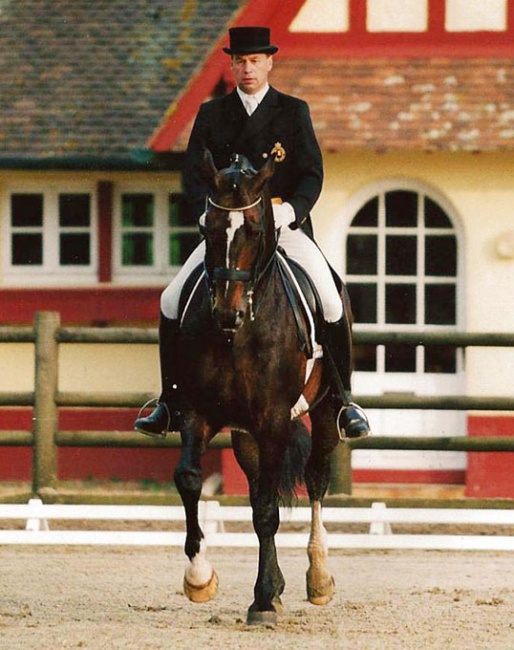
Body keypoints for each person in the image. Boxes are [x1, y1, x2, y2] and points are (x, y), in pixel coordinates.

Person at [135, 26, 370, 438]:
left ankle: (343, 401)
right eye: (241, 61)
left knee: (331, 301)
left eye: (256, 61)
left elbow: (312, 174)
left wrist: (291, 211)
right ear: (231, 65)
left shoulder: (293, 111)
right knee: (170, 298)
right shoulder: (212, 115)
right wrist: (205, 218)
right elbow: (192, 176)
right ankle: (169, 401)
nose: (248, 68)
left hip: (282, 226)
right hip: (228, 232)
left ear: (269, 63)